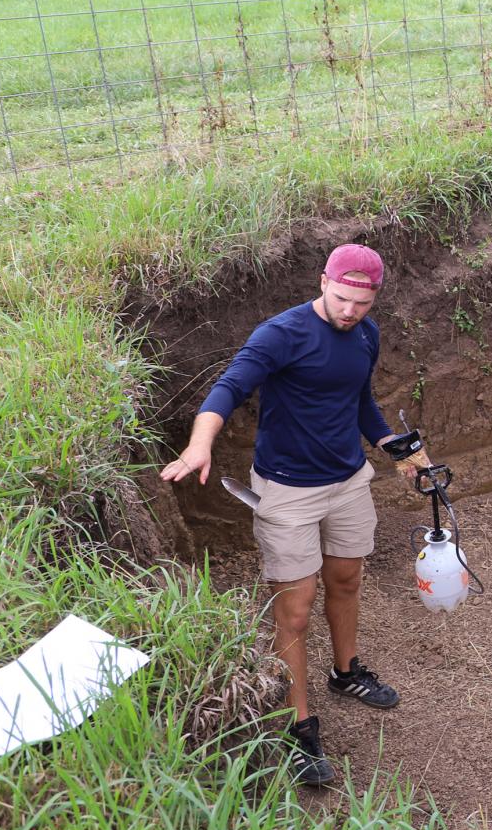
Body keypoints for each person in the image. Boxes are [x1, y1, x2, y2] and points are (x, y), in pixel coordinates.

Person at [161, 245, 429, 787]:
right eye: (341, 297)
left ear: (374, 297)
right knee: (297, 611)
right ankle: (298, 725)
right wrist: (199, 445)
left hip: (348, 481)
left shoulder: (365, 335)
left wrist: (391, 445)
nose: (349, 311)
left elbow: (359, 402)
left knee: (348, 580)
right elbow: (228, 389)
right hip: (288, 492)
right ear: (322, 280)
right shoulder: (281, 334)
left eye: (361, 302)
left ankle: (346, 672)